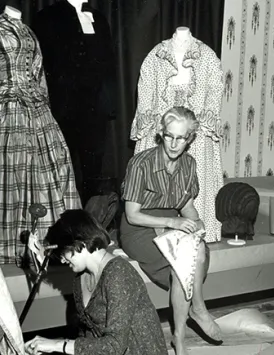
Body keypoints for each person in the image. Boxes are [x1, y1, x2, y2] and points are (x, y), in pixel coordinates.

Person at [120, 107, 223, 355]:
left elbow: (186, 206)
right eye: (169, 136)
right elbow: (133, 215)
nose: (174, 144)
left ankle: (179, 338)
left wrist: (196, 223)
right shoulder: (140, 163)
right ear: (161, 133)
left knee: (196, 251)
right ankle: (198, 308)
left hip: (169, 222)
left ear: (190, 139)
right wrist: (174, 223)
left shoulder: (189, 164)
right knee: (183, 261)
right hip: (139, 228)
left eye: (181, 138)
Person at [0, 0, 81, 265]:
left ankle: (50, 241)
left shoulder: (28, 30)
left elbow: (38, 77)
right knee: (14, 173)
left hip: (37, 110)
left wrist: (43, 104)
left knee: (49, 168)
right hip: (9, 109)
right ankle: (13, 244)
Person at [25, 209, 168, 355]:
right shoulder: (81, 275)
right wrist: (40, 251)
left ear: (80, 243)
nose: (62, 259)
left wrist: (57, 344)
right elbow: (88, 333)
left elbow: (114, 346)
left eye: (64, 253)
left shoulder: (118, 274)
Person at [130, 26, 224, 243]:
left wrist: (202, 122)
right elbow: (145, 95)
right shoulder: (155, 55)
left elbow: (214, 92)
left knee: (193, 174)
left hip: (192, 132)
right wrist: (151, 123)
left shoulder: (207, 55)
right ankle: (156, 229)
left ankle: (199, 230)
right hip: (165, 128)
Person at [33, 0, 116, 203]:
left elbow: (108, 66)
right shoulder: (47, 17)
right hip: (62, 110)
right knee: (61, 168)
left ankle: (90, 222)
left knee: (93, 172)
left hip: (94, 112)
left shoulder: (99, 19)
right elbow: (40, 66)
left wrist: (108, 106)